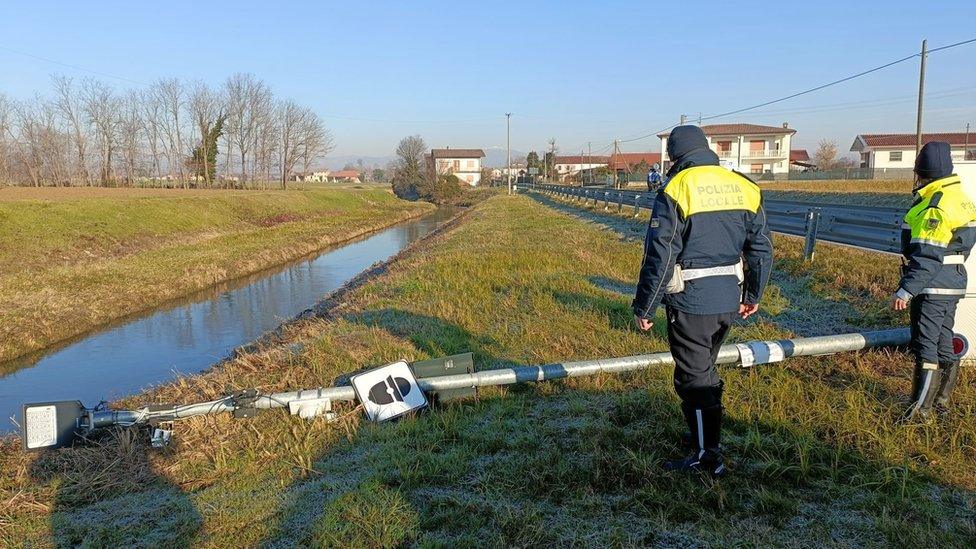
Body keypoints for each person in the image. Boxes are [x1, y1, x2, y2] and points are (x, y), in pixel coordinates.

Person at [632, 125, 773, 476]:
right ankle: (702, 434)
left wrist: (645, 306)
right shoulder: (744, 185)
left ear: (675, 156)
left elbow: (661, 255)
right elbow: (761, 249)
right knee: (705, 369)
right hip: (728, 298)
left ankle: (707, 457)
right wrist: (753, 294)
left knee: (693, 378)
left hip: (692, 302)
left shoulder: (677, 189)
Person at [890, 141, 976, 419]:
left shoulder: (935, 205)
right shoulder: (959, 196)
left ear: (923, 172)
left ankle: (920, 411)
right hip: (952, 281)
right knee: (943, 341)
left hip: (932, 284)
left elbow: (928, 256)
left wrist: (906, 289)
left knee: (925, 345)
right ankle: (942, 402)